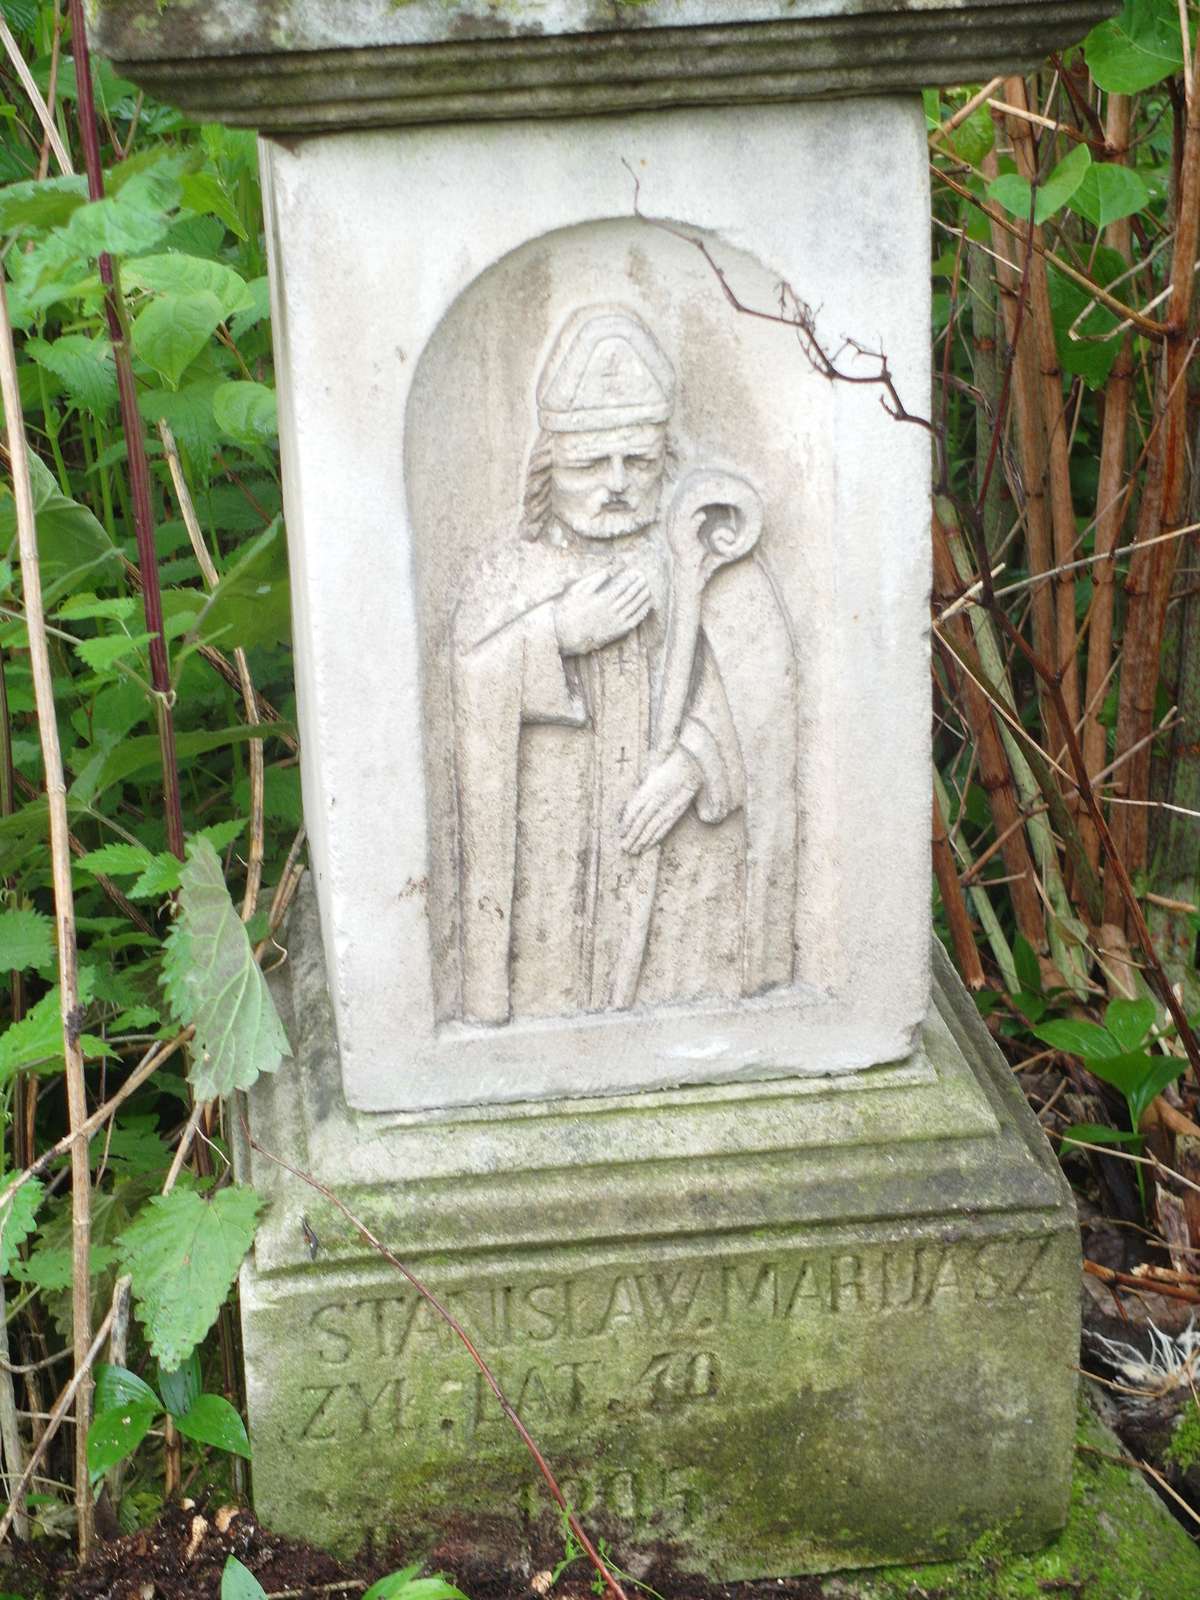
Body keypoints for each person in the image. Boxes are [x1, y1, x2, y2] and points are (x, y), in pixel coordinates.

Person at [451, 305, 798, 1026]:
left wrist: (695, 762)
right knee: (557, 980)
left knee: (683, 979)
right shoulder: (509, 576)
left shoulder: (707, 564)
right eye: (588, 464)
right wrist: (558, 633)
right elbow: (471, 686)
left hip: (683, 858)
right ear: (549, 466)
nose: (615, 483)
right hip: (554, 858)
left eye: (637, 461)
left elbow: (763, 696)